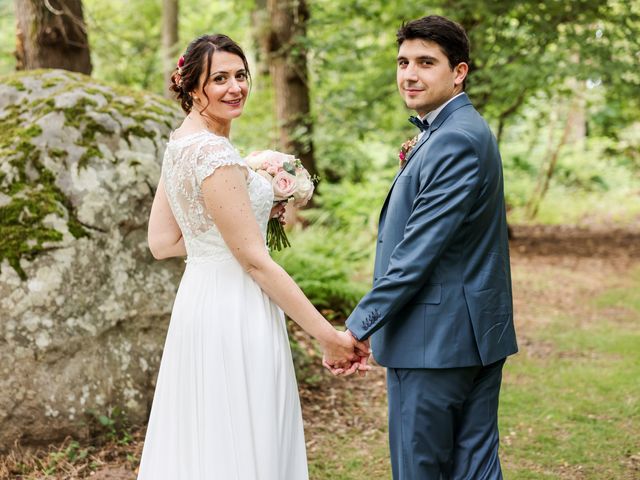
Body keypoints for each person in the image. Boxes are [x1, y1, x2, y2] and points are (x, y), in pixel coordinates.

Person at [139, 33, 369, 480]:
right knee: (242, 431)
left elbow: (164, 242)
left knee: (206, 434)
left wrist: (238, 228)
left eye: (241, 75)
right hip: (235, 310)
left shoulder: (180, 145)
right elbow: (255, 262)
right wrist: (328, 335)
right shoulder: (214, 154)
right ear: (192, 87)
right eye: (219, 78)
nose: (235, 87)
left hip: (198, 304)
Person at [332, 15, 518, 479]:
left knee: (421, 469)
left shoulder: (453, 139)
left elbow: (416, 255)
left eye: (425, 62)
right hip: (470, 336)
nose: (409, 73)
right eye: (403, 61)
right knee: (474, 468)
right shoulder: (457, 129)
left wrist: (355, 329)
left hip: (433, 341)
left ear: (459, 72)